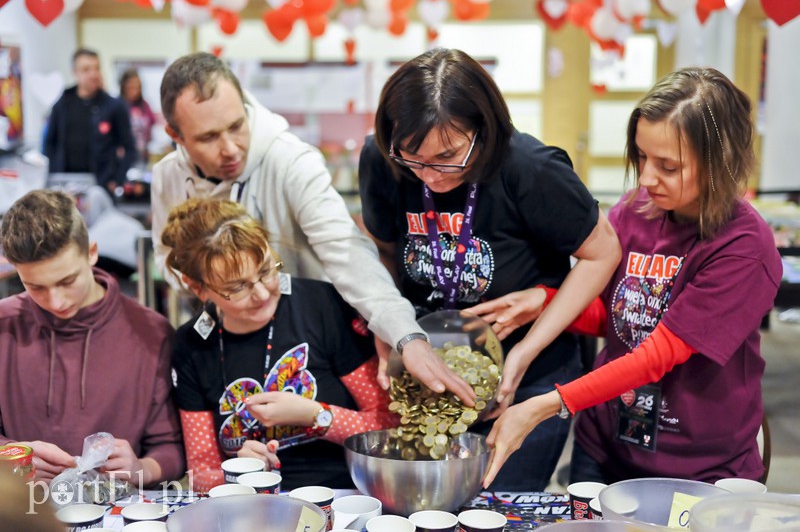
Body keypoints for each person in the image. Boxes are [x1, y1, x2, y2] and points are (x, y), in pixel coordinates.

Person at [480, 67, 782, 487]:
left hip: (699, 466)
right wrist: (545, 301)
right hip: (605, 447)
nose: (645, 178)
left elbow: (656, 356)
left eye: (668, 166)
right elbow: (617, 316)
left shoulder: (744, 246)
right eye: (641, 157)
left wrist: (546, 405)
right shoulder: (636, 209)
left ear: (721, 162)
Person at [358, 47, 621, 490]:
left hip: (530, 376)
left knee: (501, 506)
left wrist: (524, 351)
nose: (432, 178)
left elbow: (603, 252)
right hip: (427, 374)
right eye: (413, 157)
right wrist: (386, 328)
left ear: (484, 128)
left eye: (448, 156)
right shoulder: (382, 162)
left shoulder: (531, 169)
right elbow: (382, 253)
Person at [150, 52, 473, 405]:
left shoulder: (290, 160)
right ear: (175, 135)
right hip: (234, 344)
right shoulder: (167, 176)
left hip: (317, 344)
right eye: (208, 137)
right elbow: (172, 262)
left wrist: (403, 334)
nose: (230, 148)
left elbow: (347, 252)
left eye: (236, 126)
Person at [164, 198, 399, 492]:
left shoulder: (321, 306)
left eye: (266, 271)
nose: (262, 293)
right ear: (197, 287)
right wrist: (234, 470)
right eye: (237, 287)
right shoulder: (192, 345)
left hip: (345, 493)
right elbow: (200, 472)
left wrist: (317, 416)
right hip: (250, 503)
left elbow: (390, 428)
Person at [0, 190, 184, 487]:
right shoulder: (4, 327)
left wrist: (142, 468)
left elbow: (172, 447)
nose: (56, 301)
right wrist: (11, 456)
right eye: (36, 287)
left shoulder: (152, 333)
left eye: (67, 281)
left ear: (92, 252)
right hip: (22, 515)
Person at [44, 48, 136, 196]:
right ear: (75, 73)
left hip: (101, 187)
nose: (93, 74)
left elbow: (130, 148)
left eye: (96, 68)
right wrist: (54, 174)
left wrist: (117, 179)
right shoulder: (62, 104)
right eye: (86, 69)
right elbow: (49, 143)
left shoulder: (114, 107)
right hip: (66, 186)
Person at [119, 68, 157, 168]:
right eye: (131, 86)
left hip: (142, 154)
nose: (134, 90)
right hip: (123, 156)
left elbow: (152, 123)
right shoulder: (118, 105)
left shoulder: (144, 105)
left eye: (137, 86)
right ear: (124, 86)